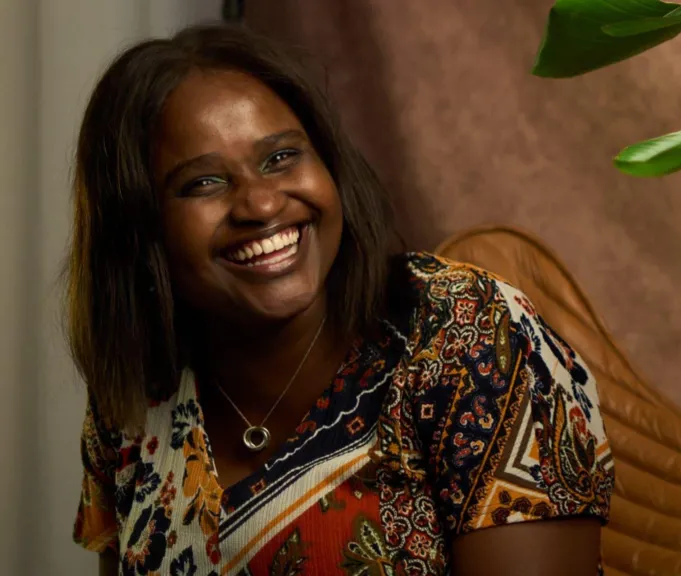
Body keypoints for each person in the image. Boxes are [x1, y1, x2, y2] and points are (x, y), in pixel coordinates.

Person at [66, 23, 614, 576]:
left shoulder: (468, 334)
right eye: (204, 183)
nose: (259, 204)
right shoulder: (137, 390)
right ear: (138, 230)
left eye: (280, 158)